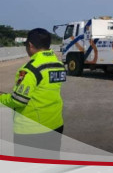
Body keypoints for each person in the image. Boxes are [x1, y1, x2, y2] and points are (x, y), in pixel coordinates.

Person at [0, 28, 66, 158]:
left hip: (32, 130)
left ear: (30, 45)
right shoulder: (58, 65)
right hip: (55, 125)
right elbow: (41, 91)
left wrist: (1, 99)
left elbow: (18, 100)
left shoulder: (30, 69)